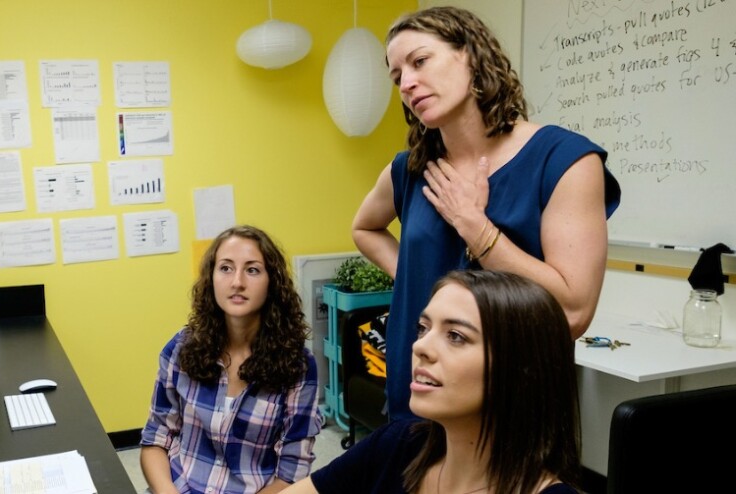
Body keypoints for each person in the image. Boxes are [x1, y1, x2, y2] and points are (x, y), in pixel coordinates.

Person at [350, 6, 621, 420]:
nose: (407, 83)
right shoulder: (411, 169)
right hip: (417, 396)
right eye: (396, 75)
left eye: (420, 61)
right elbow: (364, 228)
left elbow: (572, 313)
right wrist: (416, 279)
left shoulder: (564, 160)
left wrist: (476, 229)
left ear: (472, 55)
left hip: (514, 404)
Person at [282, 270, 582, 494]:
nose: (420, 347)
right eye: (423, 328)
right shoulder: (397, 445)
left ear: (520, 368)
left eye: (456, 336)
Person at [140, 225, 323, 494]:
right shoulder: (180, 348)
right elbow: (156, 439)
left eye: (252, 270)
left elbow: (291, 474)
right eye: (226, 268)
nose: (237, 282)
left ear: (272, 282)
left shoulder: (298, 366)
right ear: (211, 277)